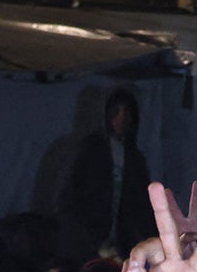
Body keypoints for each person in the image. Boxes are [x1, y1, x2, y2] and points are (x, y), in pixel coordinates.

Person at [62, 87, 155, 260]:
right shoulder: (90, 149)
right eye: (117, 112)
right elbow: (70, 196)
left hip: (121, 242)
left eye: (126, 113)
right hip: (89, 238)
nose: (122, 119)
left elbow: (142, 204)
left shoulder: (135, 158)